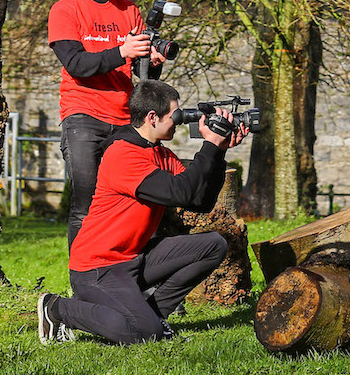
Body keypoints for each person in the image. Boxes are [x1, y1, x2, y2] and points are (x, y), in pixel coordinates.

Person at [36, 79, 247, 345]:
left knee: (214, 245)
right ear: (152, 117)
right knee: (145, 335)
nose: (178, 123)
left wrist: (218, 151)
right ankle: (57, 309)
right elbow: (180, 192)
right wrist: (209, 145)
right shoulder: (123, 154)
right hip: (98, 268)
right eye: (175, 116)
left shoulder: (162, 154)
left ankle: (152, 316)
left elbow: (199, 202)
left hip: (133, 258)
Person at [48, 0, 165, 246]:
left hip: (125, 119)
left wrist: (153, 62)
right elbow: (76, 64)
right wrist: (122, 52)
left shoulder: (129, 11)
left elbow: (141, 73)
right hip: (82, 117)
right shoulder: (65, 10)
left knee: (132, 201)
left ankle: (125, 275)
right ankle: (82, 282)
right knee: (85, 204)